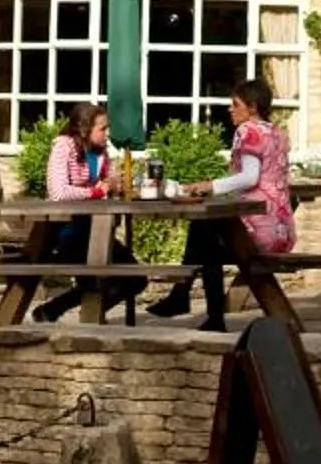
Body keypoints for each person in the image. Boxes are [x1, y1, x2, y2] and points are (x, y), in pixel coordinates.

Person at [146, 77, 295, 332]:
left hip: (259, 231)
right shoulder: (277, 133)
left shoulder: (248, 131)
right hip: (282, 231)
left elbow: (249, 177)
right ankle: (186, 300)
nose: (230, 109)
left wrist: (209, 186)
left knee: (205, 240)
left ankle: (193, 304)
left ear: (252, 107)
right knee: (203, 232)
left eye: (235, 104)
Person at [33, 102, 145, 322]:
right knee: (97, 279)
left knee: (136, 278)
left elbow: (107, 185)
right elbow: (58, 192)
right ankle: (87, 318)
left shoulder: (101, 152)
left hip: (96, 231)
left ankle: (60, 311)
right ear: (84, 129)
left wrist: (115, 186)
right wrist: (96, 191)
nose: (107, 133)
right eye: (102, 128)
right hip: (66, 235)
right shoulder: (63, 147)